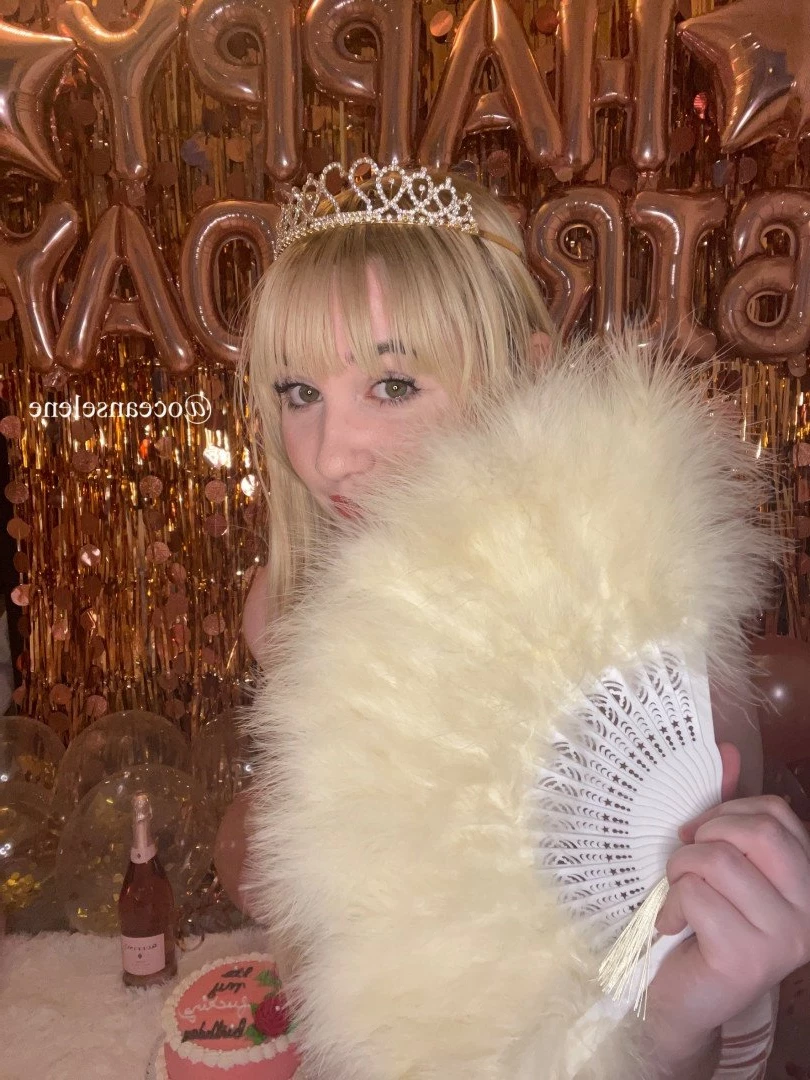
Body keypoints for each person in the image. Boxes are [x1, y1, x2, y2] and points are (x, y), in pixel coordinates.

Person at [239, 160, 810, 1079]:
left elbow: (703, 1035)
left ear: (525, 372)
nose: (331, 455)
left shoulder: (637, 631)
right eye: (299, 392)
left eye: (393, 384)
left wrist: (677, 1012)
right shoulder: (288, 607)